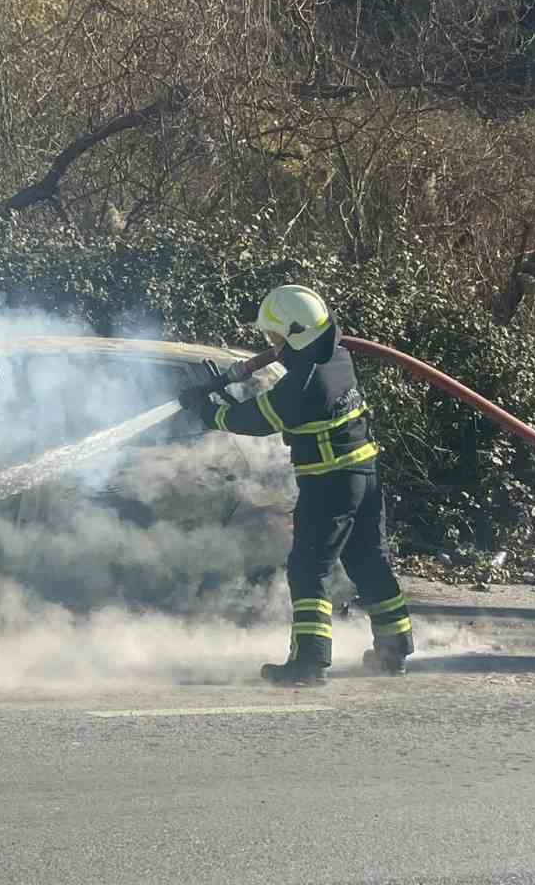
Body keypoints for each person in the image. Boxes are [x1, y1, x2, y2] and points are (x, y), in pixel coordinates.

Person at [175, 284, 414, 686]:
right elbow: (274, 408)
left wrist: (206, 412)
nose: (272, 345)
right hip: (364, 478)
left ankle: (309, 663)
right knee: (369, 559)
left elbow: (253, 420)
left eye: (276, 337)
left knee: (308, 570)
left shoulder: (303, 384)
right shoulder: (337, 357)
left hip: (329, 483)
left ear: (297, 333)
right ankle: (394, 651)